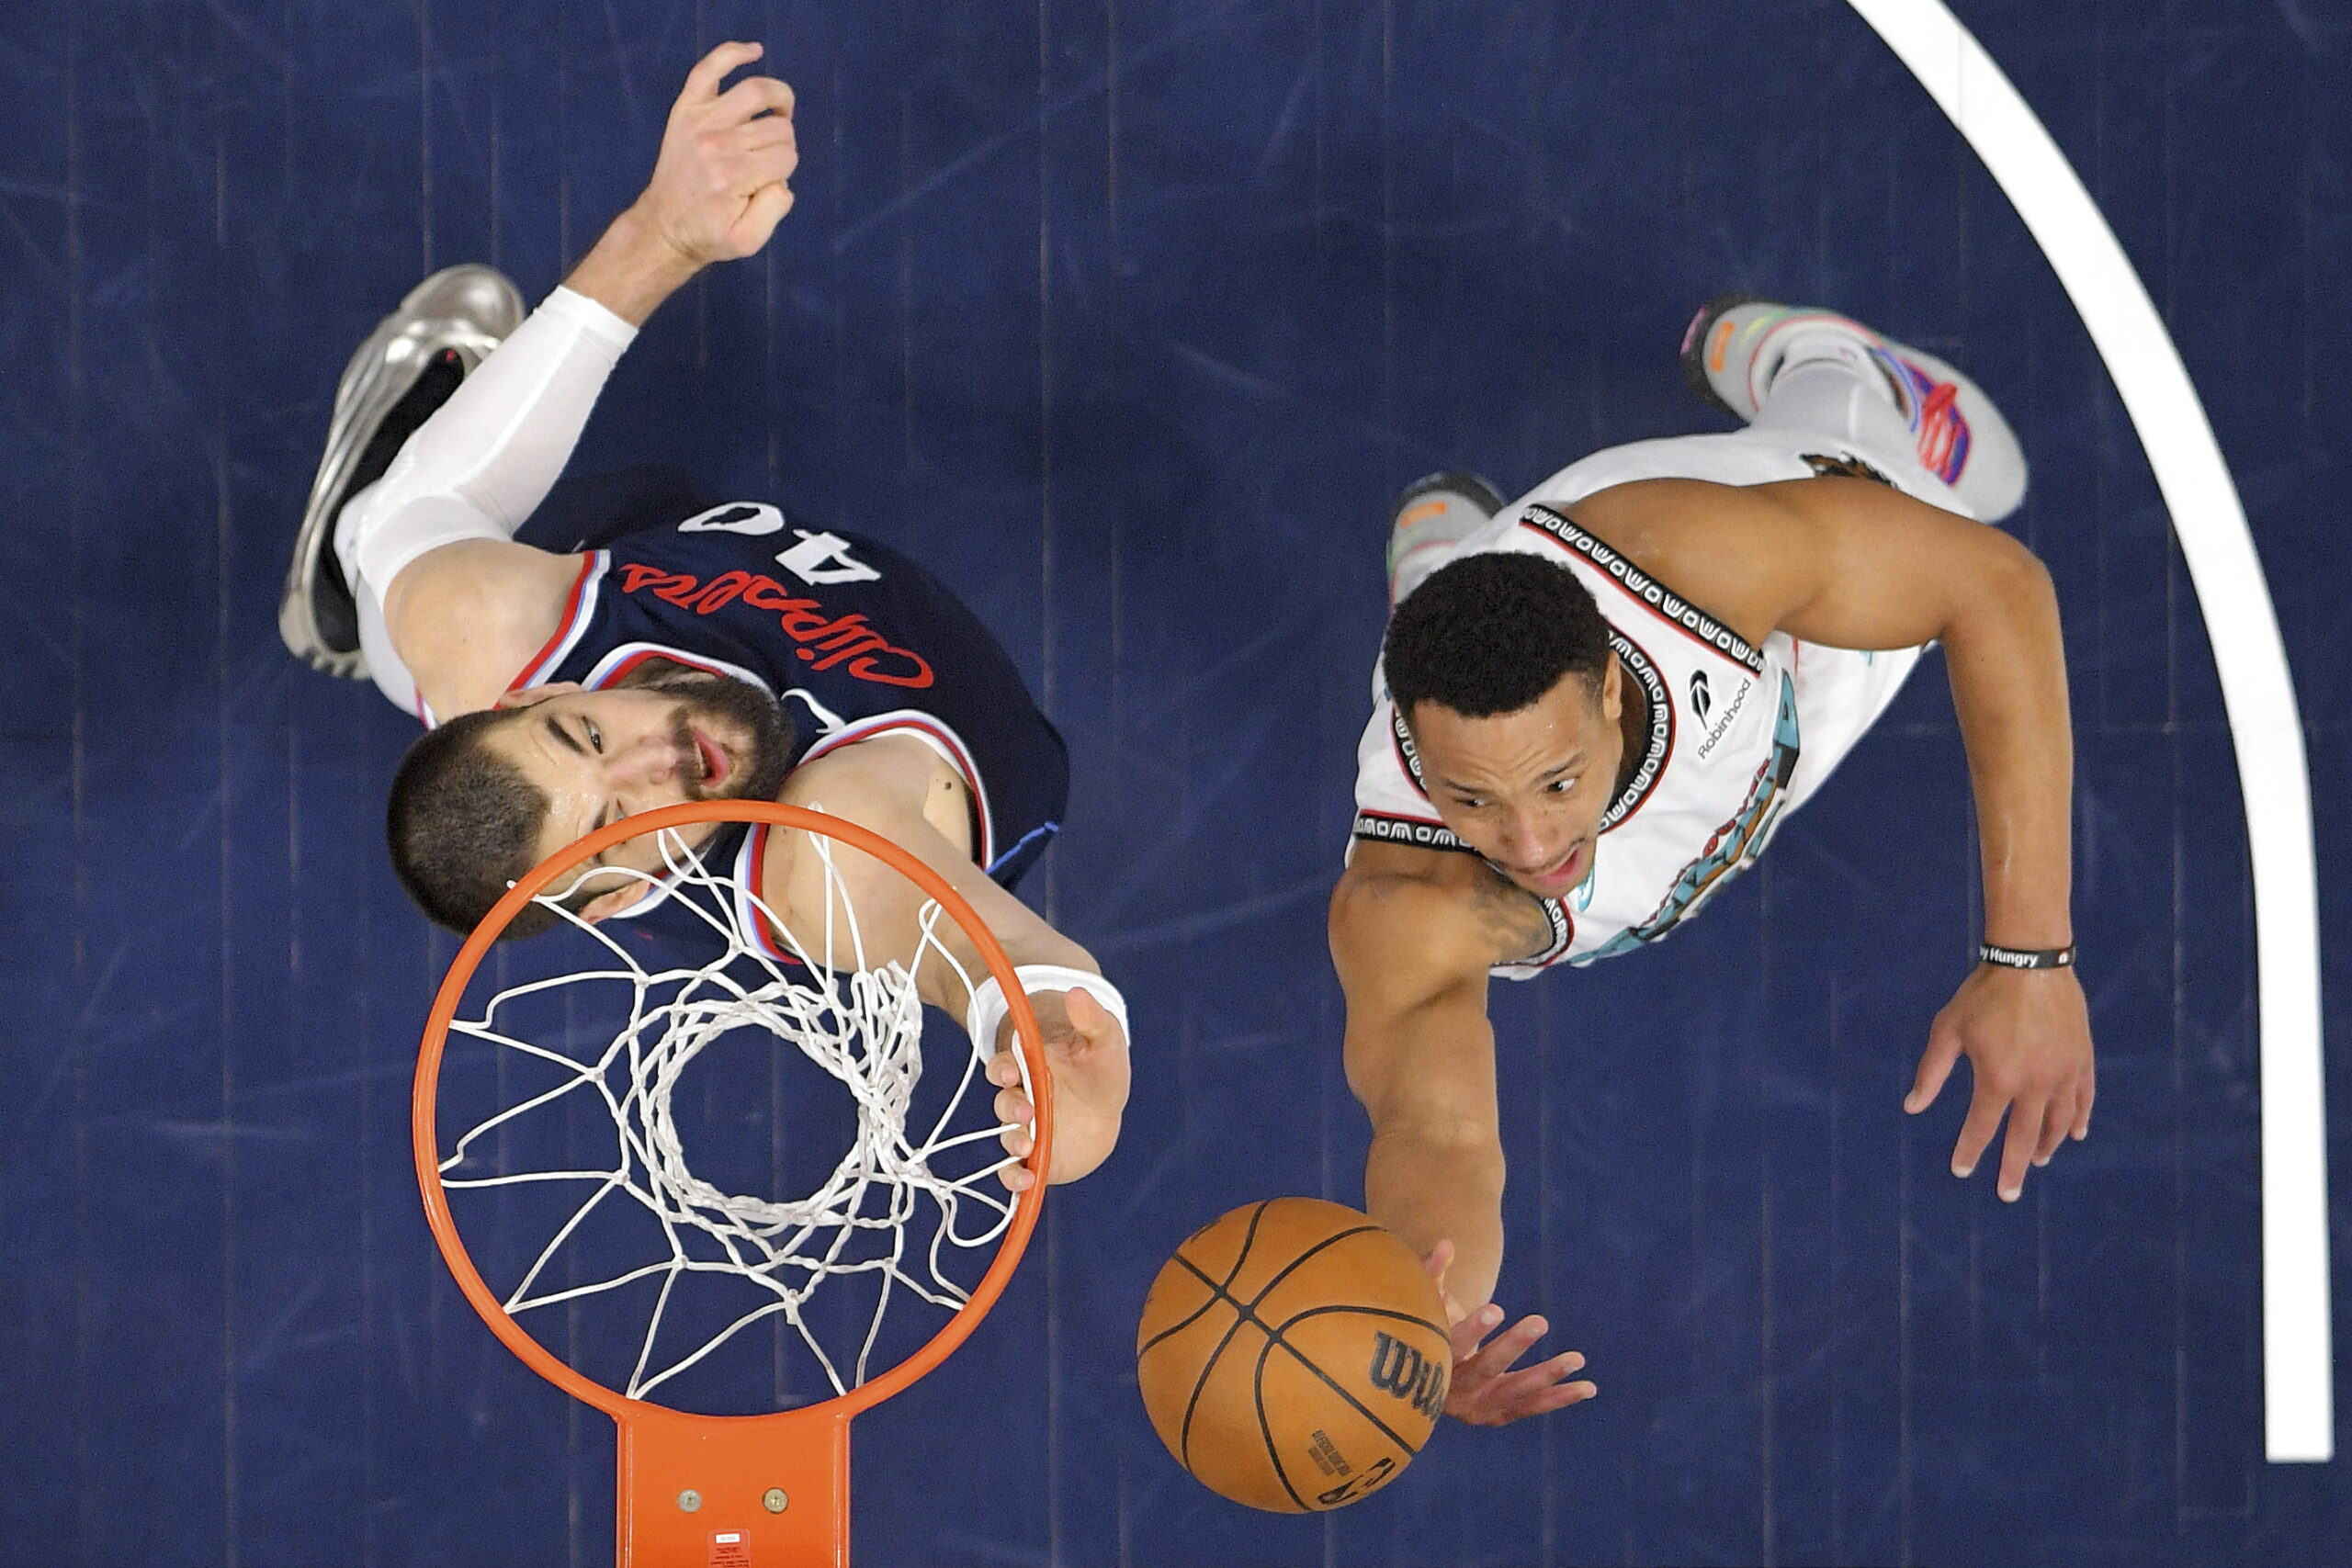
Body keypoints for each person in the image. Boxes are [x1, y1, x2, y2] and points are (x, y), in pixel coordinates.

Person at [277, 42, 1125, 1190]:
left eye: (586, 739)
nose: (659, 757)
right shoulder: (818, 862)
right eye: (621, 825)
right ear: (627, 891)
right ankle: (358, 608)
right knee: (423, 611)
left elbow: (463, 571)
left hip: (661, 545)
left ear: (546, 694)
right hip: (912, 744)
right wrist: (1048, 1034)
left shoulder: (508, 642)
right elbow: (981, 954)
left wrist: (665, 234)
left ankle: (348, 581)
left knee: (400, 554)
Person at [1334, 298, 2095, 1423]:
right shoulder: (1416, 901)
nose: (1534, 848)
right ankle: (1446, 570)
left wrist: (2029, 958)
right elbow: (1438, 1128)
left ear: (1603, 690)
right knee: (1479, 713)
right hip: (1679, 746)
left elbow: (1997, 587)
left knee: (1942, 489)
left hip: (1791, 629)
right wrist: (1421, 1313)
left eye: (1554, 783)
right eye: (1473, 801)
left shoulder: (1691, 566)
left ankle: (1824, 364)